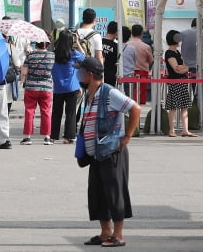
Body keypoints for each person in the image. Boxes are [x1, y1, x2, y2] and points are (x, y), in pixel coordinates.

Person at [75, 58, 141, 248]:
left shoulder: (109, 92)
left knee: (114, 193)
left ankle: (118, 235)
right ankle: (105, 232)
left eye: (81, 71)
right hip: (95, 154)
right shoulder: (89, 94)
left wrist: (127, 136)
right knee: (97, 194)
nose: (78, 75)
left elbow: (135, 108)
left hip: (111, 151)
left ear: (89, 74)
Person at [51, 30, 85, 143]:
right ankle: (68, 136)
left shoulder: (54, 54)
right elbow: (85, 58)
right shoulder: (74, 53)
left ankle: (54, 136)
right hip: (72, 87)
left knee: (56, 112)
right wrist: (78, 42)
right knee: (70, 113)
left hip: (58, 87)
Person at [20, 41, 55, 145]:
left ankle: (27, 137)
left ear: (36, 44)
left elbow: (24, 72)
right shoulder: (52, 55)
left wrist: (23, 79)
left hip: (31, 87)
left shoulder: (30, 55)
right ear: (48, 44)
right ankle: (47, 137)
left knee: (29, 111)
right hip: (46, 88)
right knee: (46, 111)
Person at [164, 30, 197, 137]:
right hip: (175, 82)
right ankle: (171, 130)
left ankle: (185, 130)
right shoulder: (169, 53)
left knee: (184, 107)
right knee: (173, 107)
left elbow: (183, 67)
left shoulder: (177, 52)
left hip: (181, 81)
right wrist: (185, 68)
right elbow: (176, 69)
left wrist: (184, 68)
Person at [127, 24, 154, 104]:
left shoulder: (126, 45)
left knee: (130, 94)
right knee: (141, 97)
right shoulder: (146, 47)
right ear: (141, 34)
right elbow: (151, 60)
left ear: (132, 33)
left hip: (129, 72)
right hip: (142, 72)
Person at [101, 21, 118, 86]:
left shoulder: (100, 41)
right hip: (110, 77)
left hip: (98, 74)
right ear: (116, 32)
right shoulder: (116, 46)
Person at [121, 26, 136, 97]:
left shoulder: (115, 46)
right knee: (129, 98)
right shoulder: (132, 48)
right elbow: (135, 61)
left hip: (119, 77)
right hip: (129, 77)